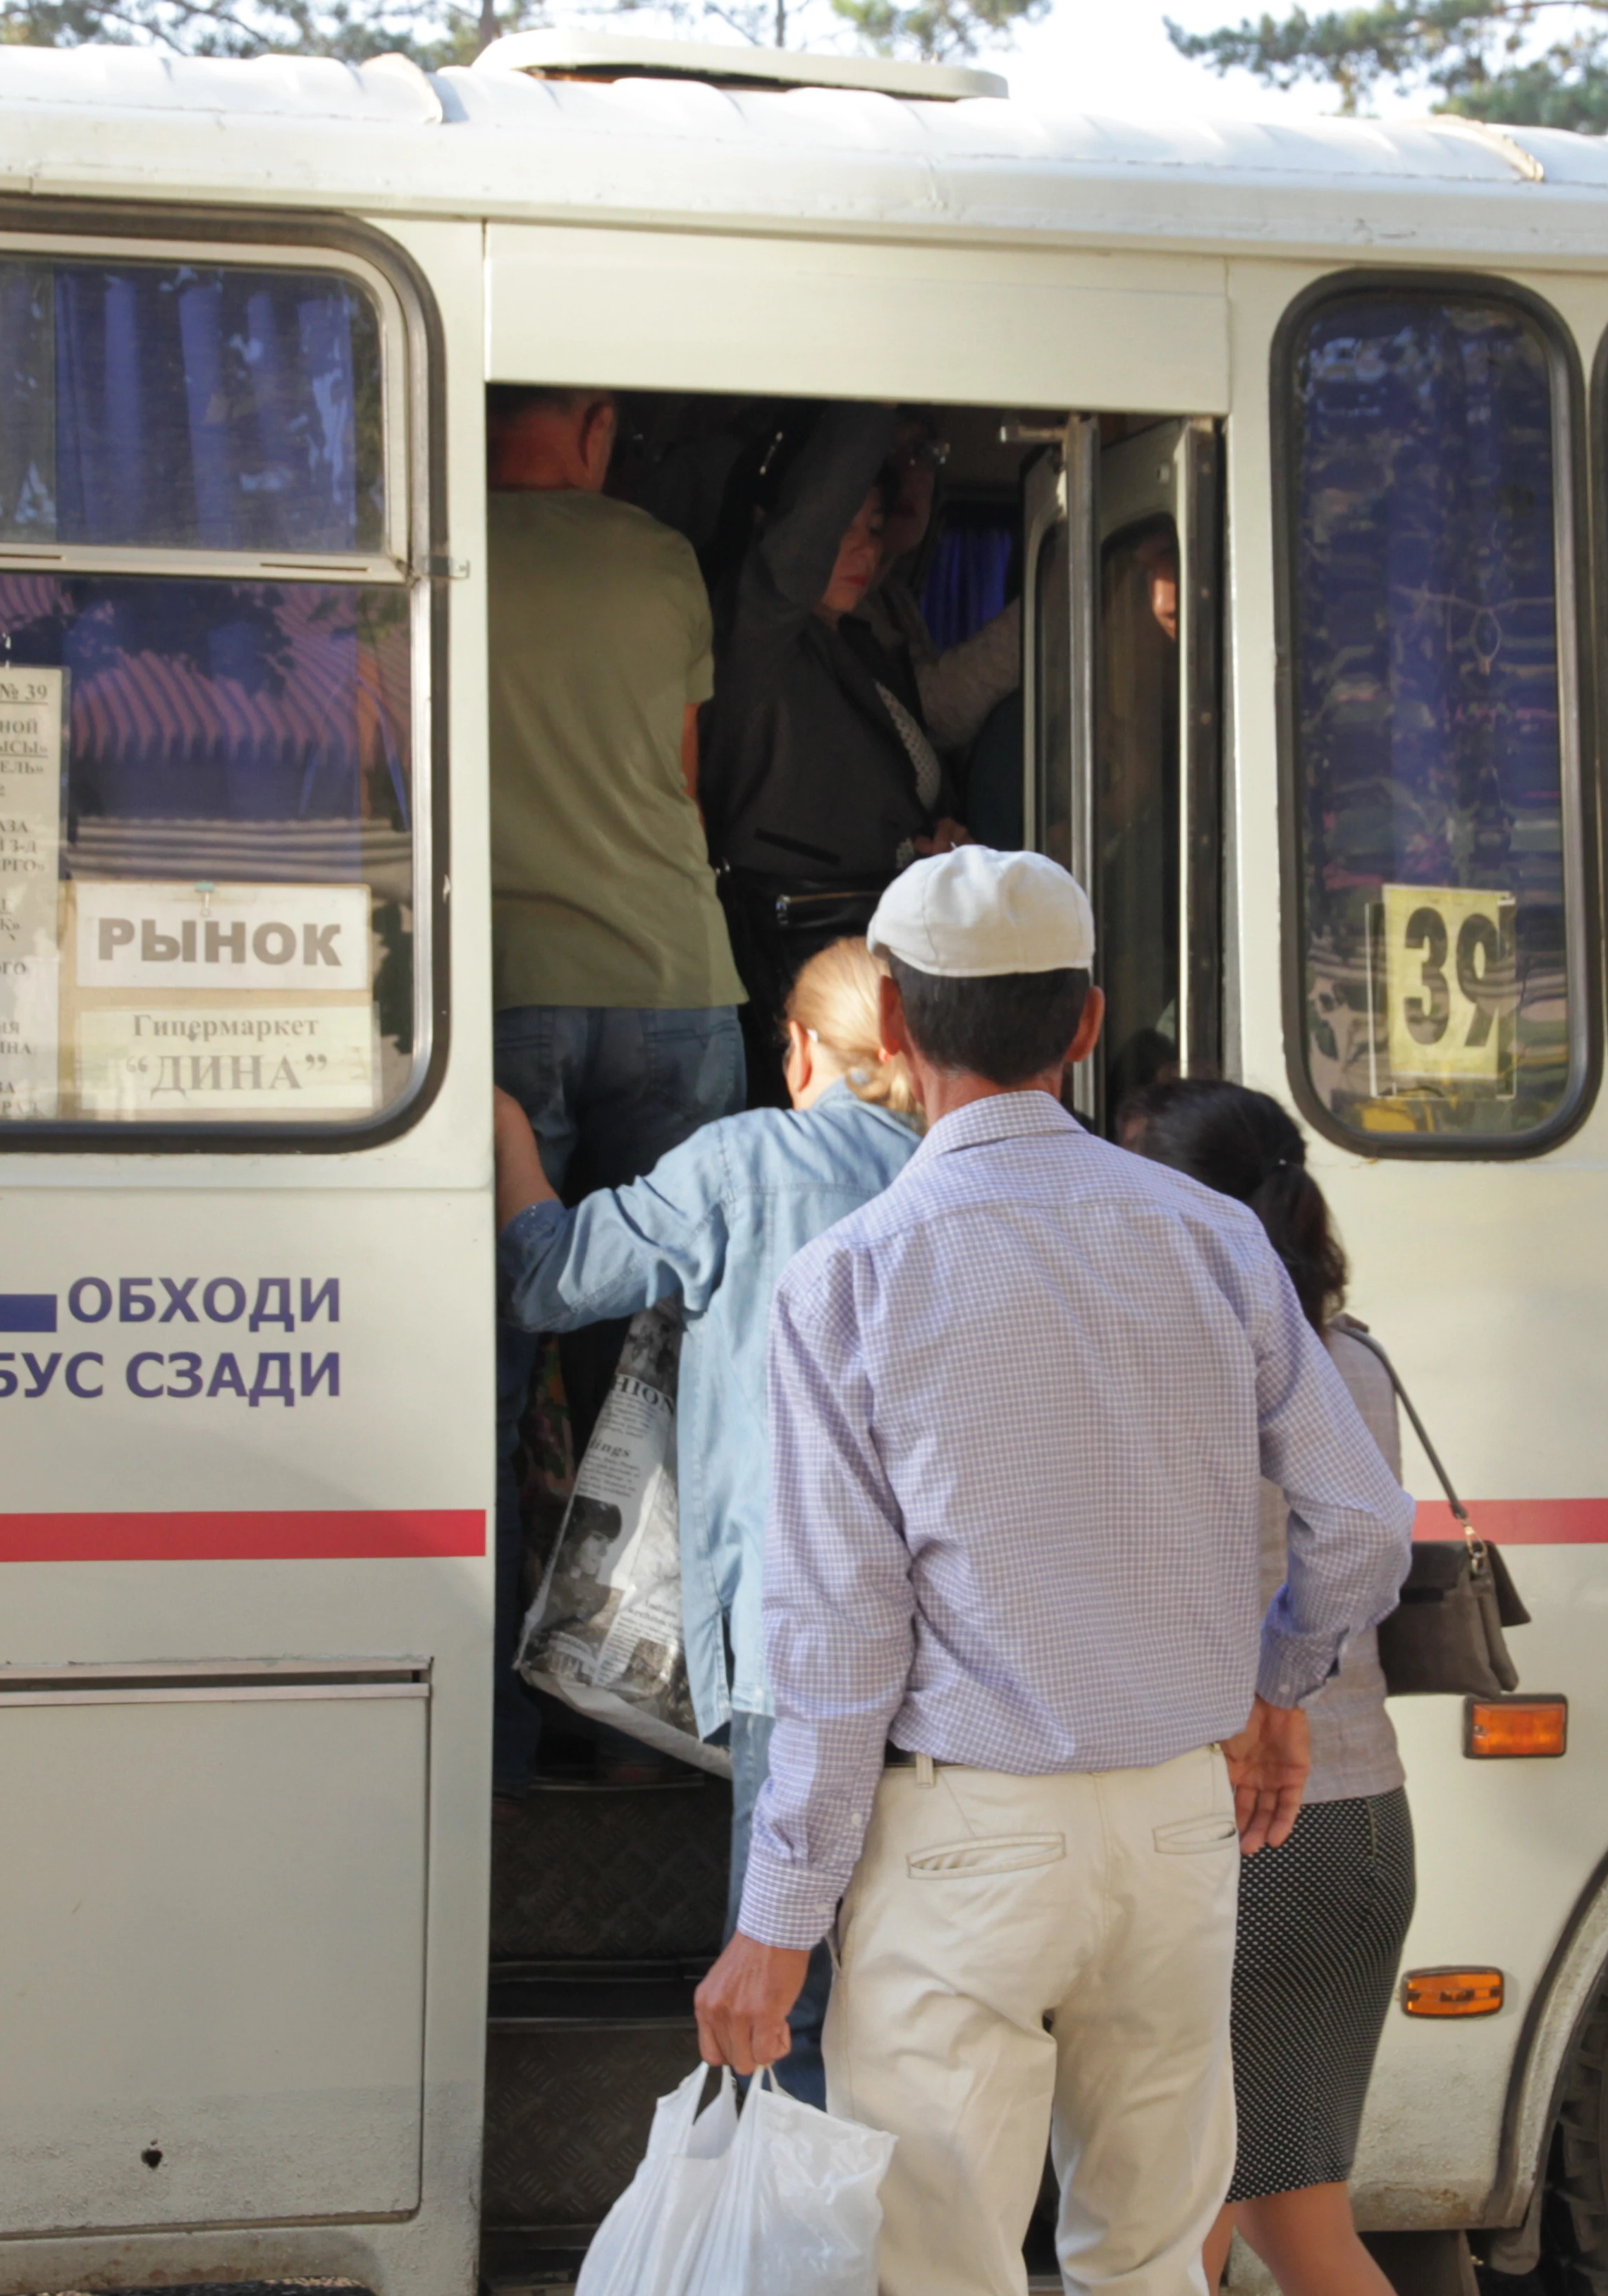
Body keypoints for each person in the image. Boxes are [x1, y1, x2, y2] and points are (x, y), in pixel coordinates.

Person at [694, 846, 1413, 2296]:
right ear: (1087, 1026)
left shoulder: (848, 1275)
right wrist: (1277, 1687)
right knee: (1149, 2261)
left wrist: (777, 1920)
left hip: (963, 1848)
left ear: (888, 1026)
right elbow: (1363, 1530)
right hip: (1174, 1832)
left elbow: (837, 1640)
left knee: (938, 2270)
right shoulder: (1213, 1238)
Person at [489, 938, 922, 2101]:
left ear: (794, 1051)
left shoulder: (740, 1167)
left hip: (798, 1647)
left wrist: (503, 1130)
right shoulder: (973, 1178)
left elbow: (550, 1276)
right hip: (973, 1665)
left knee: (793, 2010)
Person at [486, 383, 747, 1792]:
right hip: (672, 979)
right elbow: (684, 781)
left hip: (505, 996)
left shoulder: (436, 545)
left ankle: (504, 1753)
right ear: (593, 423)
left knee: (493, 1382)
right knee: (666, 1384)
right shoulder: (659, 558)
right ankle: (657, 1736)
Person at [1122, 1080, 1419, 2296]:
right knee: (1285, 2223)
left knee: (1190, 2220)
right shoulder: (1342, 1354)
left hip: (1260, 1835)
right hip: (1360, 1830)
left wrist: (1266, 1690)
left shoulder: (1195, 1363)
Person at [699, 404, 965, 1101]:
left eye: (871, 531)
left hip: (883, 960)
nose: (862, 551)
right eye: (837, 533)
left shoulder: (859, 647)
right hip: (806, 972)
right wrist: (876, 385)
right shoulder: (759, 639)